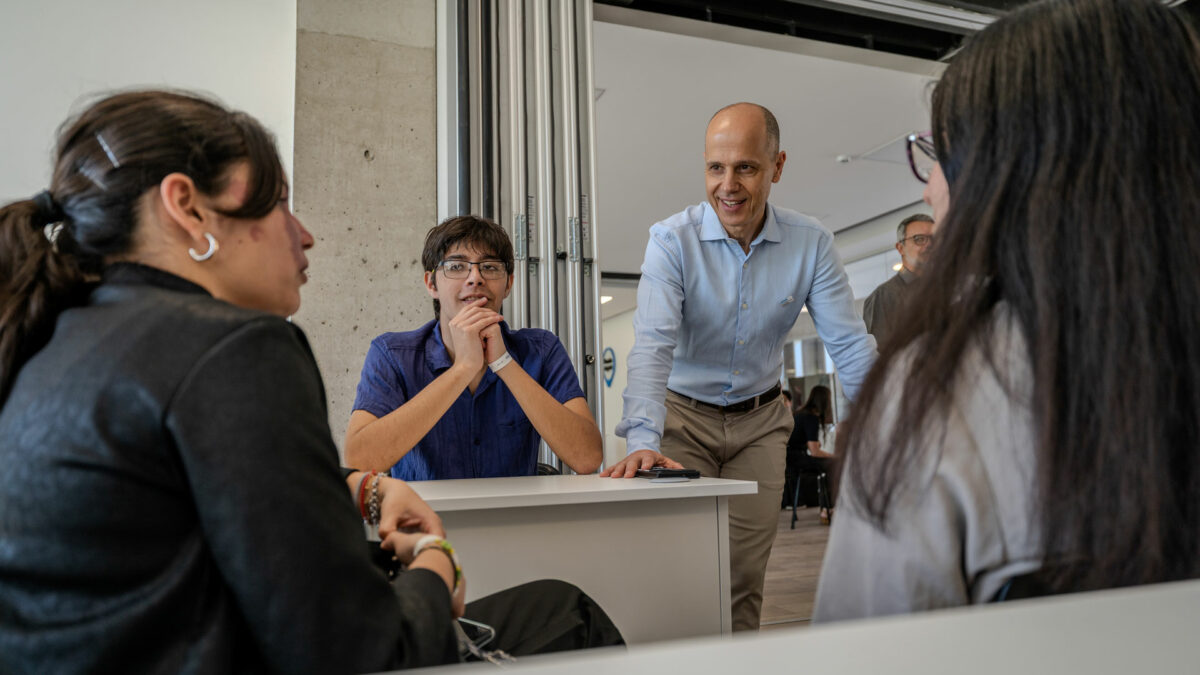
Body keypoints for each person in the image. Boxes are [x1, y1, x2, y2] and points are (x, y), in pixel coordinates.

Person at [0, 90, 622, 672]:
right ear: (186, 206)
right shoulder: (238, 347)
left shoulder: (54, 336)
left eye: (490, 267)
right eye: (277, 202)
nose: (305, 234)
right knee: (568, 610)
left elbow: (208, 491)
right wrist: (438, 563)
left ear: (508, 281)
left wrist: (360, 489)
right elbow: (358, 643)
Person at [814, 0, 1200, 621]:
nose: (929, 187)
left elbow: (866, 643)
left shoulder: (938, 394)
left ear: (1010, 171)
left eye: (943, 155)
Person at [602, 102, 877, 631]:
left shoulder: (811, 243)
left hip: (760, 425)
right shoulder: (671, 240)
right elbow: (653, 345)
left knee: (743, 578)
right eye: (716, 168)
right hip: (681, 422)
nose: (728, 185)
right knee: (678, 574)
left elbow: (848, 345)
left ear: (777, 166)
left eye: (746, 167)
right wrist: (642, 438)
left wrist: (895, 425)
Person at [344, 215, 602, 480]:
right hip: (420, 508)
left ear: (508, 284)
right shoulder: (392, 354)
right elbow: (360, 461)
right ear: (431, 284)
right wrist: (463, 368)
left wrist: (503, 363)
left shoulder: (541, 350)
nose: (475, 278)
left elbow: (587, 458)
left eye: (489, 267)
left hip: (513, 507)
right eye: (457, 266)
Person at [861, 213, 934, 347]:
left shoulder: (947, 288)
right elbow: (880, 352)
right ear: (901, 248)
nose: (929, 245)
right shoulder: (884, 296)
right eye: (919, 239)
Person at [784, 385, 836, 524]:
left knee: (828, 465)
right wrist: (834, 456)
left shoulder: (800, 413)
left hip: (790, 458)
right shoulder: (811, 417)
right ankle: (828, 509)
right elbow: (815, 451)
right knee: (833, 465)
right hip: (797, 459)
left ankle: (826, 508)